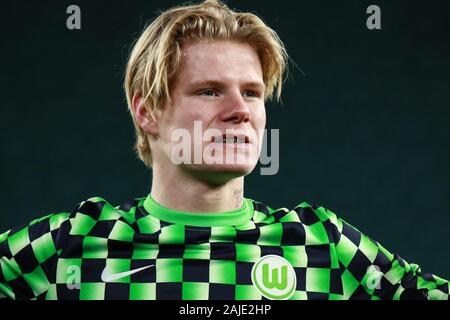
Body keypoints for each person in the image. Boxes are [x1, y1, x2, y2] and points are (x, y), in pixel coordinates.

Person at [0, 0, 448, 300]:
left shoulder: (319, 243)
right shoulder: (74, 244)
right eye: (211, 91)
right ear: (147, 112)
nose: (240, 110)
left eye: (252, 93)